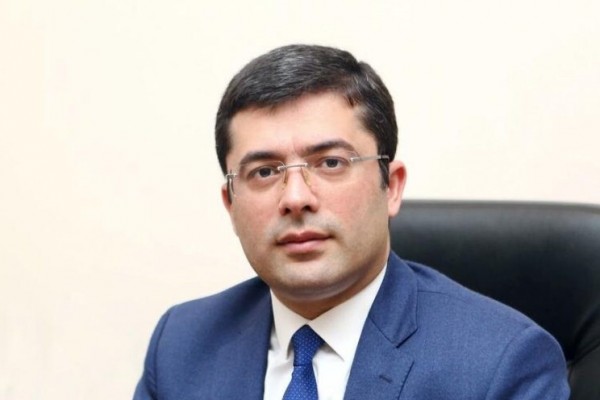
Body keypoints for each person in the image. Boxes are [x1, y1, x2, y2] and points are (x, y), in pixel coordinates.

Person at [133, 44, 570, 399]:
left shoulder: (500, 363)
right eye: (264, 171)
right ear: (231, 204)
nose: (296, 198)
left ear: (391, 186)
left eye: (330, 163)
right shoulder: (182, 345)